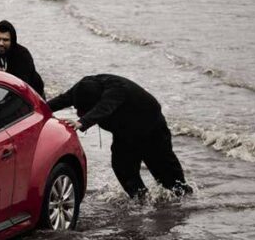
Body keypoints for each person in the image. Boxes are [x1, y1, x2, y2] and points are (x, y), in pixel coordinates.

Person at [47, 74, 192, 200]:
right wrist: (39, 110)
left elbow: (105, 108)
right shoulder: (81, 89)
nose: (79, 112)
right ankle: (142, 201)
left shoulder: (116, 89)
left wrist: (82, 122)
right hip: (124, 134)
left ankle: (184, 204)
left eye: (84, 110)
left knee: (169, 178)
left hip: (151, 130)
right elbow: (61, 100)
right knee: (123, 169)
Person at [0, 20, 46, 97]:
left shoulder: (23, 55)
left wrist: (4, 76)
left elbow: (21, 86)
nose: (1, 43)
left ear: (12, 41)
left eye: (5, 40)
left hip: (32, 95)